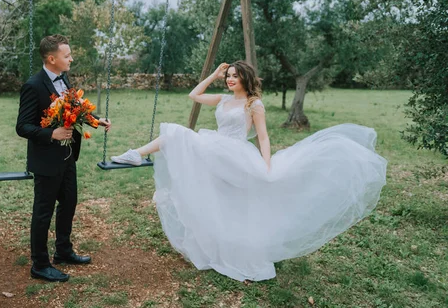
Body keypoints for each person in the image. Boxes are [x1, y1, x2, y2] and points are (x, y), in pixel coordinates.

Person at [111, 60, 387, 281]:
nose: (230, 79)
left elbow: (263, 137)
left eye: (234, 75)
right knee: (180, 142)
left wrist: (266, 165)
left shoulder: (253, 104)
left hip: (234, 153)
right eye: (228, 75)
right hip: (215, 146)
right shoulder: (221, 99)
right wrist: (213, 73)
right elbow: (193, 95)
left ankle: (138, 155)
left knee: (178, 137)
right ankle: (137, 154)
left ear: (245, 78)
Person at [16, 34, 111, 282]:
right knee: (43, 213)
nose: (71, 58)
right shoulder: (33, 85)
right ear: (51, 58)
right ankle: (39, 264)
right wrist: (52, 133)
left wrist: (95, 119)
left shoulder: (64, 78)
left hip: (68, 156)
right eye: (66, 55)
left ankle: (63, 251)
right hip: (46, 160)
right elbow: (22, 127)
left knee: (69, 203)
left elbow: (75, 106)